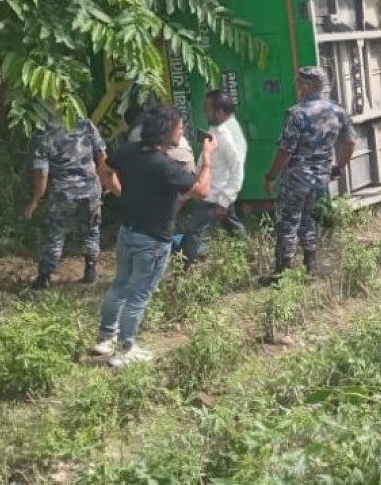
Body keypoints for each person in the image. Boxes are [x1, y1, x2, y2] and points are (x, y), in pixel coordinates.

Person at [92, 105, 216, 367]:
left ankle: (105, 338)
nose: (181, 132)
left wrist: (120, 193)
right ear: (167, 130)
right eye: (180, 127)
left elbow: (104, 170)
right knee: (138, 294)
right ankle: (126, 349)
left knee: (120, 285)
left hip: (127, 232)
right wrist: (207, 158)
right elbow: (203, 191)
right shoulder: (165, 165)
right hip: (153, 240)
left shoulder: (128, 151)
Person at [263, 66, 356, 279]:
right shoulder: (338, 111)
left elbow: (285, 150)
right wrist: (339, 167)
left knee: (288, 222)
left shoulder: (297, 114)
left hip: (296, 178)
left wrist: (271, 176)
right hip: (321, 177)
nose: (298, 87)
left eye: (299, 83)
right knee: (308, 220)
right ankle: (310, 267)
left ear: (305, 86)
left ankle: (282, 272)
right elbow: (350, 142)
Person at [23, 115, 109, 290]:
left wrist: (35, 200)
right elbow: (102, 155)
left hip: (64, 193)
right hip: (90, 189)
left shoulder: (44, 132)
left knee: (56, 234)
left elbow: (42, 174)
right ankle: (90, 269)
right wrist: (106, 180)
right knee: (92, 231)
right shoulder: (85, 123)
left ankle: (44, 277)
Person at [177, 90, 247, 268]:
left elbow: (237, 171)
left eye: (208, 109)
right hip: (213, 191)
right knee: (233, 226)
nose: (205, 113)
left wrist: (223, 202)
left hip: (215, 196)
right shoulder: (217, 129)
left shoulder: (227, 137)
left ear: (220, 112)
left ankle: (182, 270)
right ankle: (249, 256)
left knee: (193, 231)